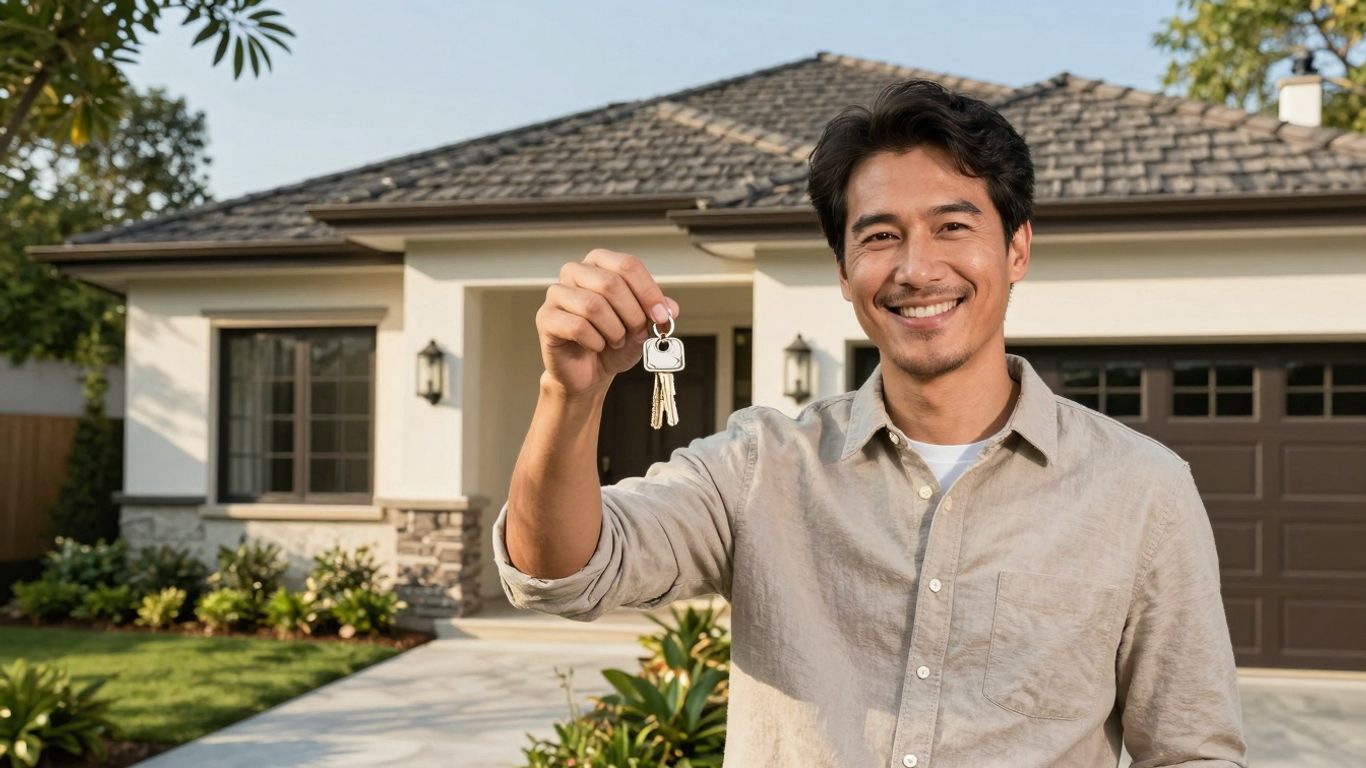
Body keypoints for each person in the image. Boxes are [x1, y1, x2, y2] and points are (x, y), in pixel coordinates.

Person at [492, 79, 1249, 767]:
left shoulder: (1142, 490)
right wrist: (572, 394)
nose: (917, 269)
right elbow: (561, 576)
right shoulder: (761, 468)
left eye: (953, 227)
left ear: (1016, 248)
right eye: (880, 235)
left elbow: (1191, 751)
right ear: (843, 270)